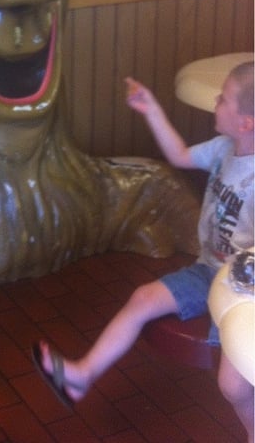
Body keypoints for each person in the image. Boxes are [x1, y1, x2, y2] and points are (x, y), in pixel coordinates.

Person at [31, 61, 254, 442]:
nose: (216, 101)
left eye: (224, 99)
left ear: (246, 123)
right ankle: (81, 376)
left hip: (242, 291)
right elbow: (179, 155)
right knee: (142, 298)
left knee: (233, 386)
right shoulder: (222, 149)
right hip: (207, 270)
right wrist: (151, 109)